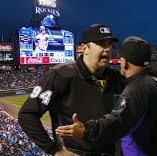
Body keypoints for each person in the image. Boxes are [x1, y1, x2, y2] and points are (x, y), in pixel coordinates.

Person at [55, 36, 157, 156]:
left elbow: (118, 122)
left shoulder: (136, 88)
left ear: (124, 63)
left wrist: (86, 130)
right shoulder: (156, 83)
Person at [18, 24, 125, 155]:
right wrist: (54, 150)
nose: (108, 49)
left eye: (109, 44)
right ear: (85, 48)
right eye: (101, 44)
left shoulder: (115, 77)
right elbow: (27, 115)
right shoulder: (60, 75)